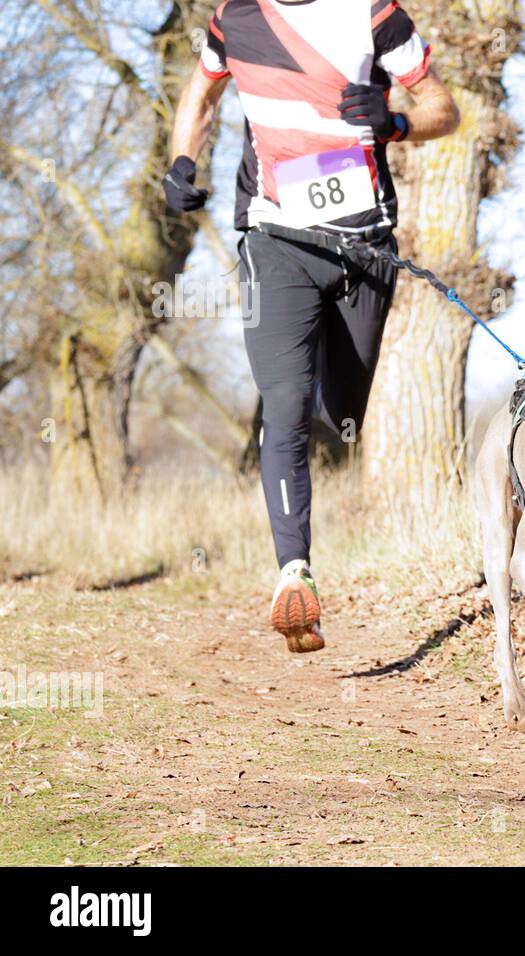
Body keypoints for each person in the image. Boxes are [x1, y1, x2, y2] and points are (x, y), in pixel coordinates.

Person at [164, 0, 460, 653]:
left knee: (340, 412)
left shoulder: (374, 12)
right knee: (285, 404)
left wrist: (396, 121)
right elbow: (200, 92)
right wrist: (182, 162)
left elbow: (446, 109)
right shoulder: (233, 17)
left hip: (365, 249)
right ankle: (294, 573)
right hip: (276, 240)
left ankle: (323, 422)